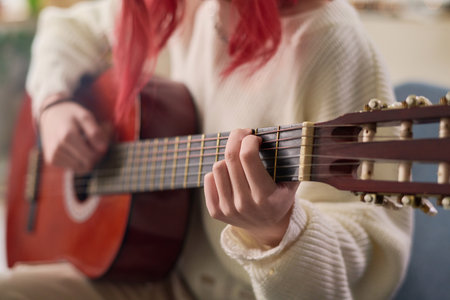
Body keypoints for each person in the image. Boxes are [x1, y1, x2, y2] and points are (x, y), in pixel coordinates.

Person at [0, 0, 412, 299]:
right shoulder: (172, 8)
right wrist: (52, 105)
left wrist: (279, 233)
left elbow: (370, 256)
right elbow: (67, 27)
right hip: (155, 274)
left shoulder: (330, 39)